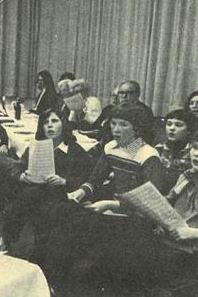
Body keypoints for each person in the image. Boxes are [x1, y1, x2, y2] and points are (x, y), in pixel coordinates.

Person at [41, 103, 166, 287]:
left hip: (136, 218)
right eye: (114, 123)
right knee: (61, 216)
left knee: (76, 234)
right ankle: (50, 280)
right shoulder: (111, 147)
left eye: (123, 125)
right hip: (111, 208)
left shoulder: (148, 155)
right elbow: (94, 180)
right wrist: (79, 193)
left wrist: (109, 205)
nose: (116, 129)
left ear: (137, 129)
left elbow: (151, 203)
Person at [0, 109, 93, 255]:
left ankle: (7, 239)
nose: (49, 126)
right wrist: (21, 175)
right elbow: (18, 165)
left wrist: (64, 181)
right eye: (45, 122)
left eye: (54, 121)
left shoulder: (74, 150)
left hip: (61, 195)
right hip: (37, 190)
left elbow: (86, 177)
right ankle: (9, 239)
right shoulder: (36, 146)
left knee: (28, 199)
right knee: (26, 194)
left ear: (64, 124)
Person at [155, 109, 196, 189]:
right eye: (169, 124)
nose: (172, 128)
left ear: (189, 130)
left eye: (178, 125)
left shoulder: (193, 151)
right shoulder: (159, 148)